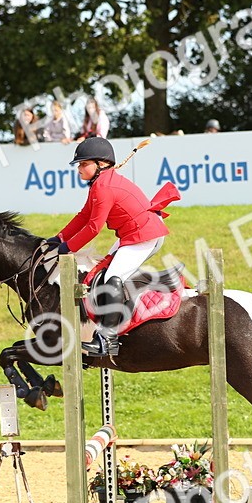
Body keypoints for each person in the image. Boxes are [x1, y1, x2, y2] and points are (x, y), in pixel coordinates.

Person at [46, 137, 180, 356]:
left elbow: (93, 227)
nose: (79, 169)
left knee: (112, 278)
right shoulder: (99, 183)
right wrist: (60, 237)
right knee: (103, 271)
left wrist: (67, 248)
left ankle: (108, 339)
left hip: (143, 234)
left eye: (83, 164)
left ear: (101, 164)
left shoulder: (104, 187)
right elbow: (84, 216)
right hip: (133, 233)